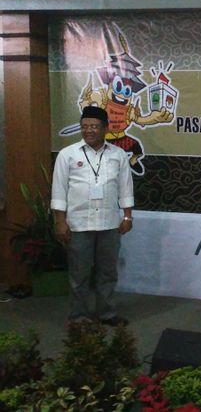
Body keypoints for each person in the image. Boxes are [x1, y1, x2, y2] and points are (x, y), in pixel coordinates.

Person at [51, 106, 134, 326]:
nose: (89, 131)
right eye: (85, 126)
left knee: (107, 273)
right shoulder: (67, 154)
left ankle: (107, 314)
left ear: (105, 128)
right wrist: (60, 221)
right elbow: (59, 190)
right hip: (78, 224)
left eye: (94, 127)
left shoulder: (117, 155)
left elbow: (125, 188)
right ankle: (78, 317)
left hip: (109, 224)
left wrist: (127, 216)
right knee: (79, 275)